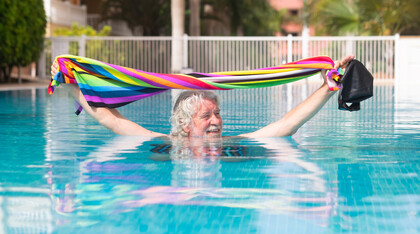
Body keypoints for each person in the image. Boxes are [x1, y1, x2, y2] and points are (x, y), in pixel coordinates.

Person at [51, 55, 355, 138]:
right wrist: (70, 83)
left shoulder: (234, 146)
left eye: (217, 113)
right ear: (185, 125)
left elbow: (289, 123)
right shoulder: (164, 145)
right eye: (206, 115)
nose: (216, 121)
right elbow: (110, 118)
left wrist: (329, 85)